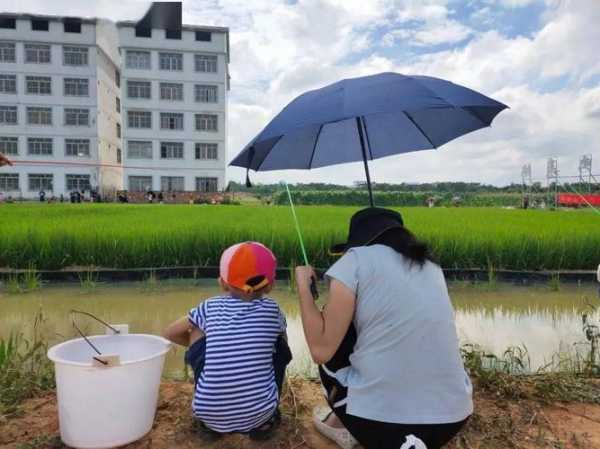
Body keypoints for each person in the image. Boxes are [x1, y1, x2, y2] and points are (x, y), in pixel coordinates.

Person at [295, 208, 472, 449]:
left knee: (331, 350)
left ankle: (342, 424)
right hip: (450, 420)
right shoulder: (431, 267)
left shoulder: (354, 260)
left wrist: (304, 288)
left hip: (379, 426)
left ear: (358, 242)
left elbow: (320, 349)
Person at [163, 241, 292, 441]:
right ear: (271, 286)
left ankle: (209, 427)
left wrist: (213, 345)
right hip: (259, 415)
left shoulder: (209, 307)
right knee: (279, 342)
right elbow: (283, 350)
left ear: (222, 283)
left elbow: (170, 332)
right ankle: (266, 424)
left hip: (208, 413)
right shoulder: (274, 310)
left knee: (197, 326)